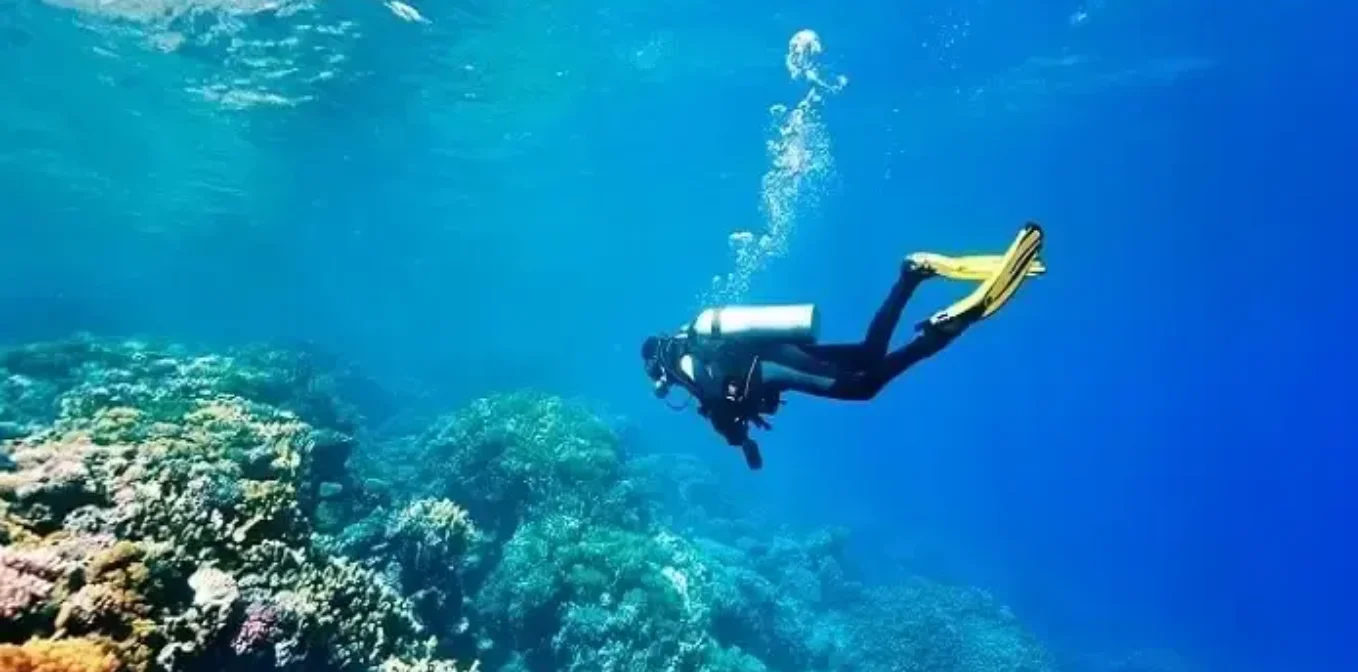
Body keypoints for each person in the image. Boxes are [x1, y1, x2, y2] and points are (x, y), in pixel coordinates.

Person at [640, 222, 1045, 470]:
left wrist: (737, 438)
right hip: (775, 352)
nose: (661, 383)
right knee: (869, 354)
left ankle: (939, 332)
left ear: (656, 365)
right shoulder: (692, 340)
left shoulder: (679, 363)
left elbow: (715, 398)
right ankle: (910, 276)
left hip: (769, 367)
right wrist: (744, 438)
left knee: (862, 387)